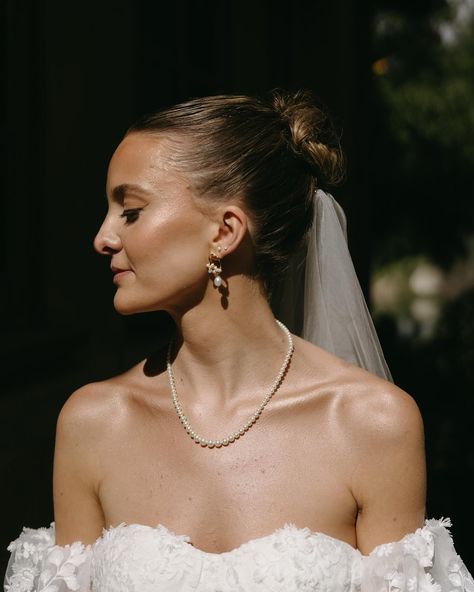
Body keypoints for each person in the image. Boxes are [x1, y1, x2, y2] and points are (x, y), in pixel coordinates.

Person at [4, 90, 473, 591]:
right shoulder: (94, 422)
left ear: (224, 232)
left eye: (131, 211)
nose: (103, 238)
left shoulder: (372, 422)